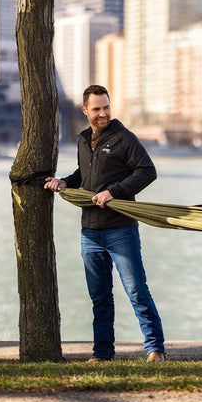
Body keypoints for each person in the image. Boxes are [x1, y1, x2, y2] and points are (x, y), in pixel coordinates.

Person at [44, 85, 166, 362]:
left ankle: (155, 349)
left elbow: (148, 171)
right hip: (90, 232)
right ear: (85, 110)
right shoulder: (83, 140)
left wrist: (114, 191)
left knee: (136, 291)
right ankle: (102, 353)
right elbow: (83, 175)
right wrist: (64, 182)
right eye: (97, 109)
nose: (103, 113)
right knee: (100, 297)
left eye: (106, 107)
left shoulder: (124, 138)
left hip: (121, 229)